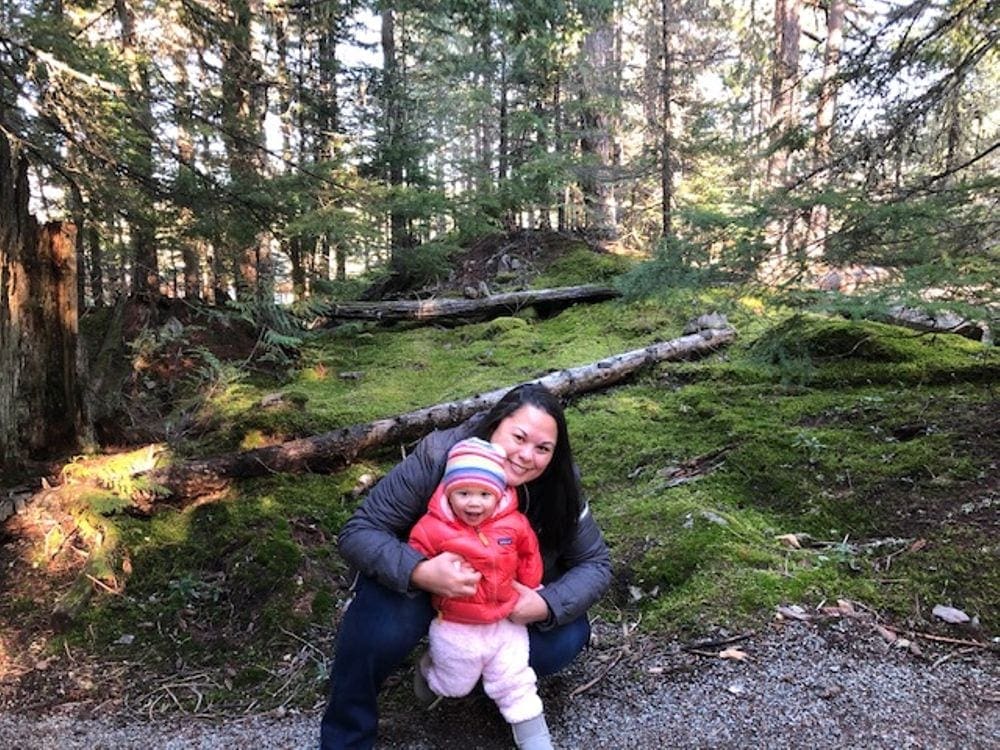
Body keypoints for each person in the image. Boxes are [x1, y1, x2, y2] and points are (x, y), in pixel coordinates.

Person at [320, 383, 612, 750]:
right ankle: (347, 737)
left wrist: (546, 605)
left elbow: (596, 563)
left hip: (500, 603)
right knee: (379, 628)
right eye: (518, 437)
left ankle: (464, 677)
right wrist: (420, 571)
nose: (525, 456)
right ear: (495, 425)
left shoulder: (559, 482)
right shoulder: (440, 455)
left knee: (565, 638)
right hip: (423, 589)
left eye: (542, 449)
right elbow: (359, 532)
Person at [409, 437, 551, 749]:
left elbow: (529, 553)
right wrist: (426, 572)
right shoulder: (433, 527)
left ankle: (533, 734)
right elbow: (413, 556)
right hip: (457, 621)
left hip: (505, 619)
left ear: (498, 494)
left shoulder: (514, 524)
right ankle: (430, 669)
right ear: (449, 492)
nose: (474, 503)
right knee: (455, 682)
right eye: (463, 493)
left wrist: (531, 586)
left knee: (515, 680)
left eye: (484, 494)